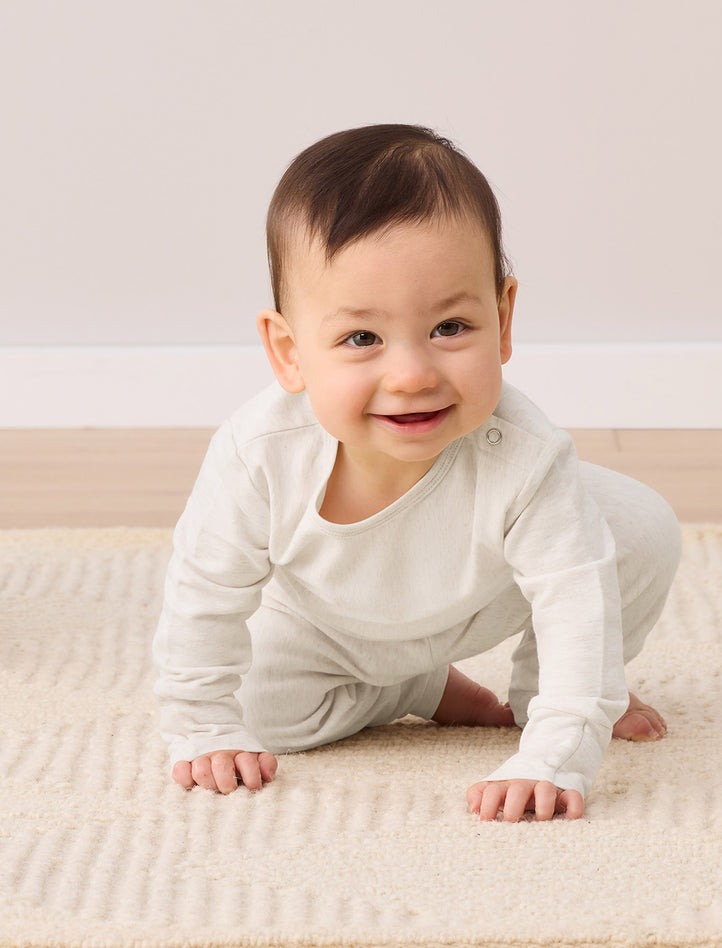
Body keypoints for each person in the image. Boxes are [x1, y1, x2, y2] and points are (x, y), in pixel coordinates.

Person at [153, 124, 682, 822]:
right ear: (289, 352)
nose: (411, 376)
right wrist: (201, 724)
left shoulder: (525, 453)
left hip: (479, 592)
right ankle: (412, 688)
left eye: (450, 328)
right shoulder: (260, 452)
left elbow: (574, 601)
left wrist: (558, 745)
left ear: (502, 319)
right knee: (261, 713)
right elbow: (204, 592)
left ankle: (536, 692)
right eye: (361, 339)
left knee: (640, 528)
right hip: (327, 623)